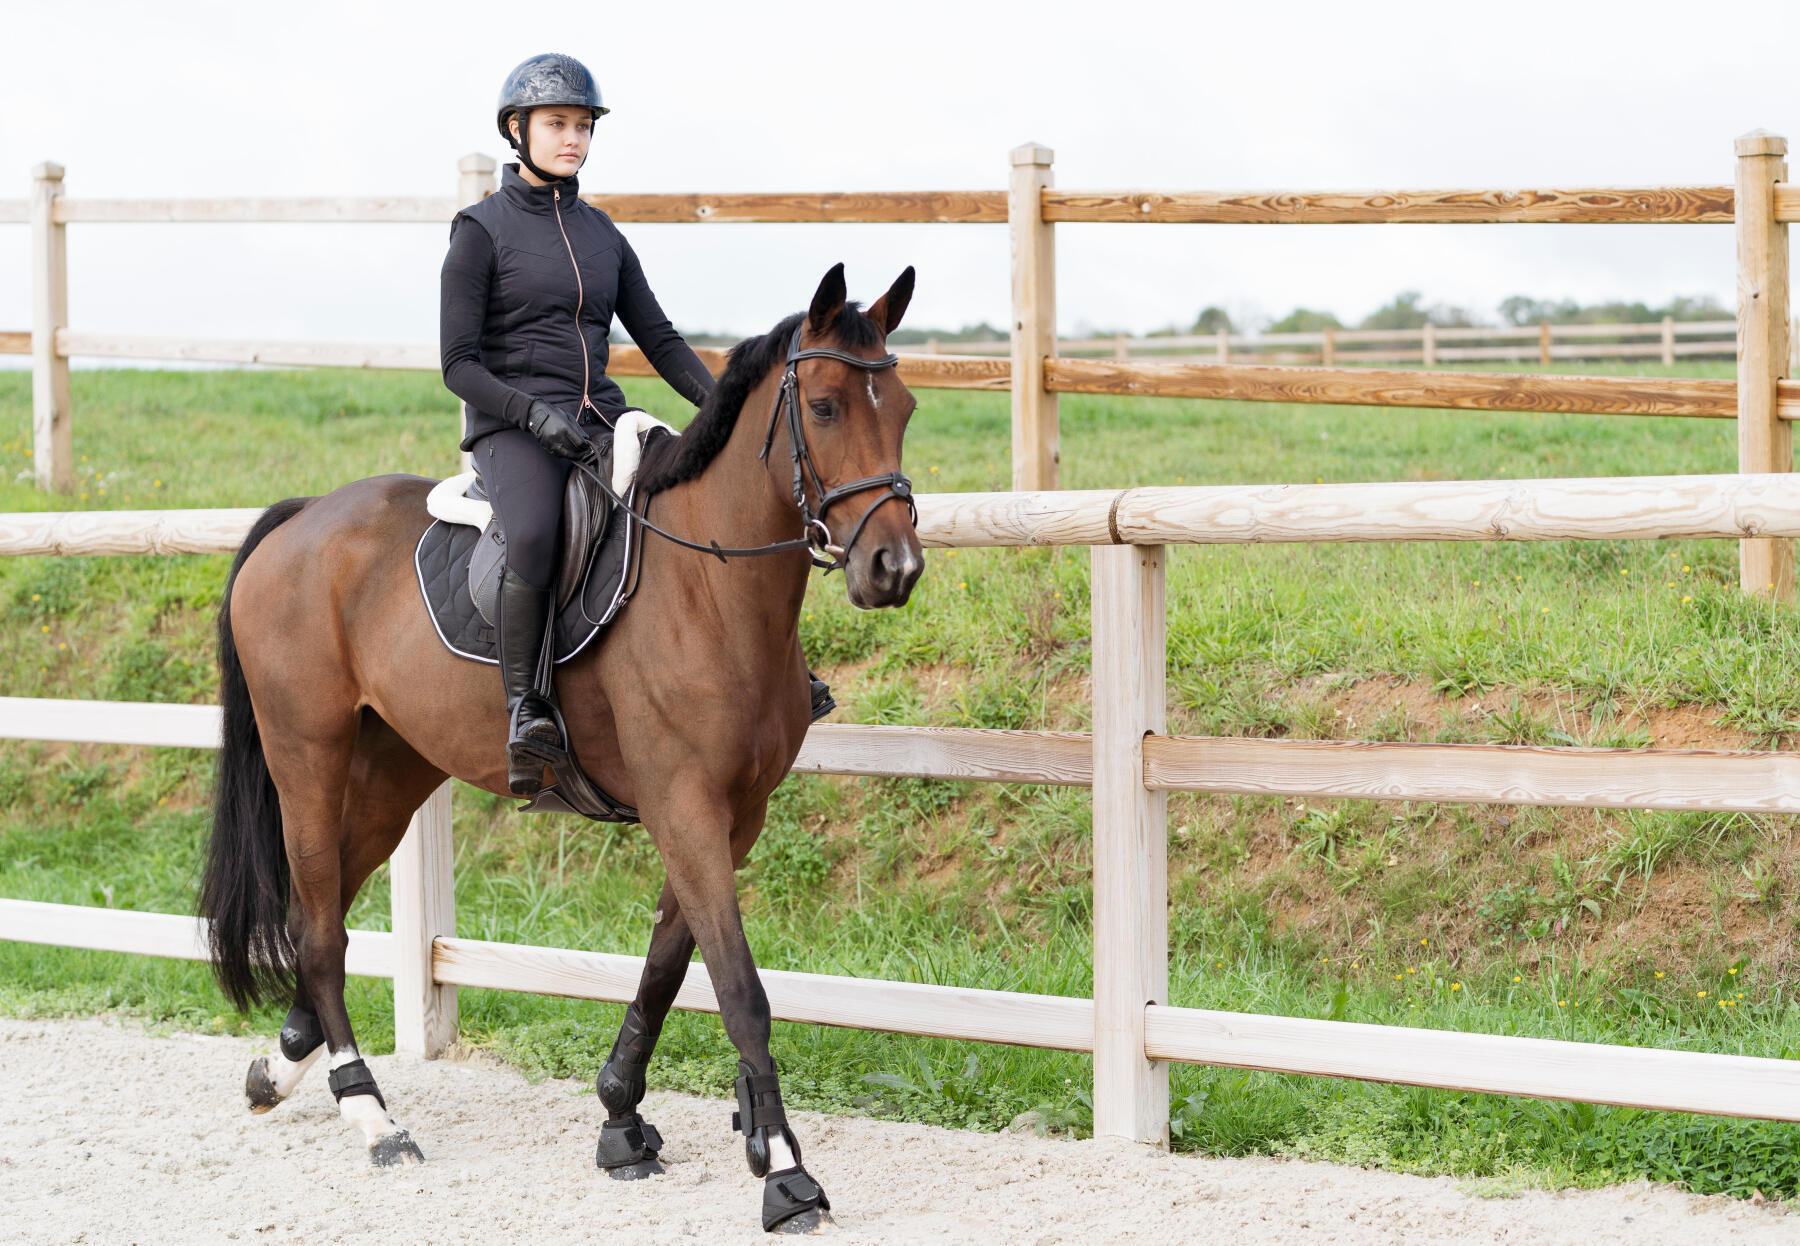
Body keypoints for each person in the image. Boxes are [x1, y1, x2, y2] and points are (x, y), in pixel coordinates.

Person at [440, 53, 833, 798]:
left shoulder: (602, 235)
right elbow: (458, 364)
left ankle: (775, 678)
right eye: (558, 124)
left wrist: (727, 412)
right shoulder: (478, 232)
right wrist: (530, 414)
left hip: (600, 421)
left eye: (583, 126)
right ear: (518, 130)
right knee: (531, 531)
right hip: (513, 426)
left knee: (691, 501)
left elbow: (660, 339)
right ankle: (527, 708)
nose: (573, 139)